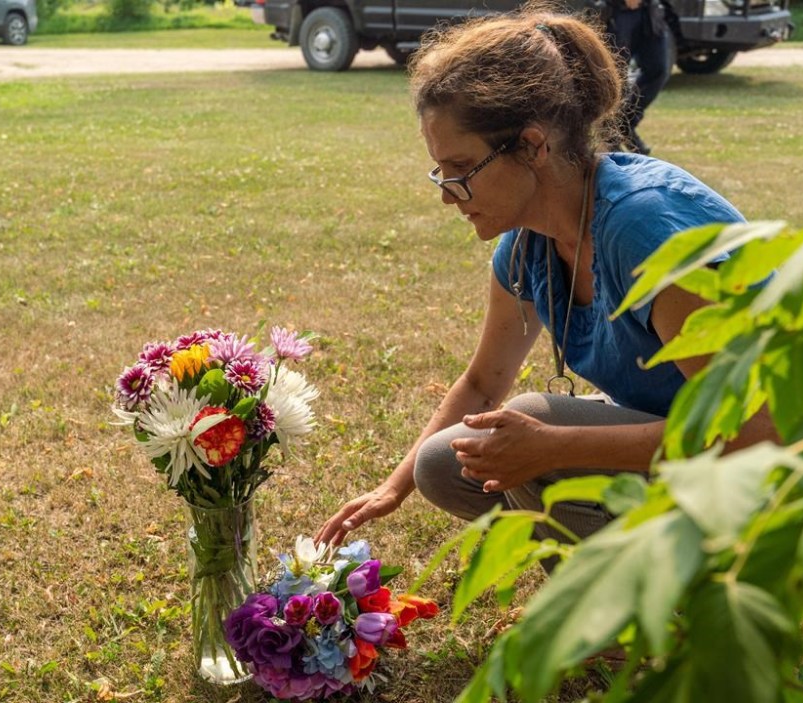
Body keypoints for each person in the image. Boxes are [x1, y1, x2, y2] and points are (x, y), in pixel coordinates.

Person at [317, 4, 776, 551]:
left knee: (530, 424)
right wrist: (391, 490)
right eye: (441, 172)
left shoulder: (643, 229)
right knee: (443, 463)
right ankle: (629, 585)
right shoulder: (528, 241)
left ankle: (623, 627)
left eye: (461, 171)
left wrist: (554, 445)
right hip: (679, 451)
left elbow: (752, 432)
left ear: (533, 146)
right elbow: (483, 383)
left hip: (763, 472)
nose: (447, 194)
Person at [606, 0, 672, 155]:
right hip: (616, 11)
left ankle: (625, 123)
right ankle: (610, 138)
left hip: (648, 10)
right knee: (615, 76)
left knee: (658, 69)